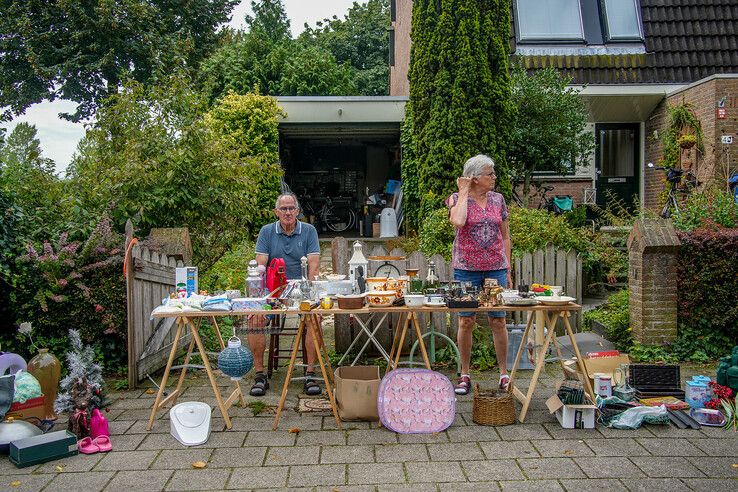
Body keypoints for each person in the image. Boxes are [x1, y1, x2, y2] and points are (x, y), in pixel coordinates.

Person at [447, 154, 512, 395]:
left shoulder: (498, 200)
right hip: (466, 268)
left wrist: (507, 267)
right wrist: (463, 191)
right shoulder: (456, 199)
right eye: (489, 174)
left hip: (496, 267)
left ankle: (504, 374)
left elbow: (505, 236)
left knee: (498, 319)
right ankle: (464, 374)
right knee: (466, 320)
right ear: (474, 178)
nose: (494, 177)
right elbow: (458, 221)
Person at [247, 192, 322, 397]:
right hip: (274, 290)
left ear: (297, 211)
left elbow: (313, 269)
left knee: (314, 318)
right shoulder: (266, 231)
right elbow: (261, 267)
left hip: (302, 289)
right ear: (276, 212)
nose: (288, 213)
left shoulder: (309, 231)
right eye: (283, 209)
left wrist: (308, 293)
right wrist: (262, 298)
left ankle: (310, 373)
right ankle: (260, 375)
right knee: (254, 319)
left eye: (291, 209)